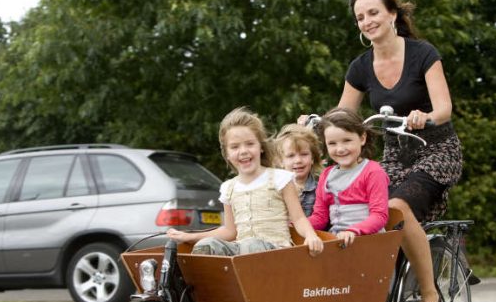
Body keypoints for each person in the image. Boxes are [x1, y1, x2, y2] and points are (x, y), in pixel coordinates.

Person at [338, 0, 463, 302]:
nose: (367, 21)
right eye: (360, 17)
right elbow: (342, 116)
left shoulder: (423, 54)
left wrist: (426, 116)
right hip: (394, 156)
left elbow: (444, 107)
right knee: (363, 214)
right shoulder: (360, 67)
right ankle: (374, 298)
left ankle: (429, 295)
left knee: (396, 206)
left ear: (392, 14)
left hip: (436, 150)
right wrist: (313, 122)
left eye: (373, 12)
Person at [167, 107, 324, 257]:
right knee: (208, 245)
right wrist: (191, 237)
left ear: (260, 147)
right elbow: (230, 231)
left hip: (276, 252)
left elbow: (298, 218)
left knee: (250, 245)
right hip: (242, 253)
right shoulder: (229, 188)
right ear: (227, 154)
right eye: (235, 147)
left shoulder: (280, 178)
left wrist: (310, 235)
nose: (243, 151)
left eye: (249, 144)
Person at [308, 107, 389, 247]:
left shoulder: (372, 172)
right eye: (332, 143)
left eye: (347, 140)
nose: (340, 149)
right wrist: (297, 225)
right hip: (338, 242)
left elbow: (379, 215)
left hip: (369, 242)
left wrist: (354, 230)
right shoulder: (326, 175)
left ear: (362, 138)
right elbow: (320, 217)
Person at [273, 123, 323, 216]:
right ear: (280, 161)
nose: (298, 160)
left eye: (304, 154)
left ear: (312, 158)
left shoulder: (321, 188)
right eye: (291, 156)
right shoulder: (274, 189)